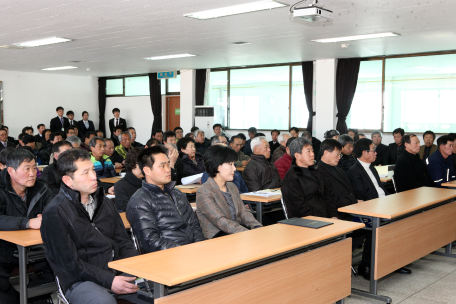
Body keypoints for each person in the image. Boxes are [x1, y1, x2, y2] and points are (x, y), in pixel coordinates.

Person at [40, 149, 148, 304]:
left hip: (115, 269)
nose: (93, 176)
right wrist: (110, 280)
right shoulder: (55, 212)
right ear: (68, 180)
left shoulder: (103, 202)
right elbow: (70, 263)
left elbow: (123, 241)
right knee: (104, 302)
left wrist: (138, 268)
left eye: (93, 170)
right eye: (85, 173)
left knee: (158, 292)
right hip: (79, 281)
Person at [347, 138, 411, 278]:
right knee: (376, 230)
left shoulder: (372, 168)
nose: (376, 153)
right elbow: (364, 197)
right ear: (364, 152)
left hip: (383, 205)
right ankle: (366, 266)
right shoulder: (354, 172)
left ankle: (394, 262)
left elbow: (381, 190)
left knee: (403, 222)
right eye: (373, 150)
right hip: (370, 210)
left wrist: (393, 200)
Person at [0, 149, 55, 304]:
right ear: (10, 170)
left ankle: (34, 298)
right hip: (4, 249)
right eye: (27, 168)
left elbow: (56, 210)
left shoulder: (42, 188)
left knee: (63, 264)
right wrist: (27, 222)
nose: (32, 173)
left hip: (35, 248)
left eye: (34, 168)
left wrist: (49, 217)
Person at [127, 146, 204, 252]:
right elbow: (151, 241)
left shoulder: (177, 193)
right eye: (162, 166)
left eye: (168, 164)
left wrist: (199, 247)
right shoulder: (139, 201)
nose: (168, 169)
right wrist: (184, 251)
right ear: (147, 170)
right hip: (169, 256)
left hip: (192, 251)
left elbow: (194, 225)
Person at [196, 145, 262, 239]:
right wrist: (247, 233)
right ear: (218, 166)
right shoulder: (204, 191)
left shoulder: (232, 187)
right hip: (217, 238)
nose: (234, 169)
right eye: (230, 164)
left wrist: (257, 227)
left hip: (236, 234)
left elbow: (244, 213)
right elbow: (221, 221)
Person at [282, 137, 337, 218]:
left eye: (312, 150)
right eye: (308, 151)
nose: (312, 154)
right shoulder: (292, 178)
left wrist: (333, 215)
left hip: (324, 217)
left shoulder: (316, 171)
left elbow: (327, 196)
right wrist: (322, 218)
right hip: (306, 221)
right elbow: (300, 208)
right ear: (297, 155)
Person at [318, 139, 359, 220]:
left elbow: (350, 190)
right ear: (325, 153)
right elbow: (327, 198)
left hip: (351, 209)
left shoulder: (340, 170)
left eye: (340, 155)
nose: (339, 158)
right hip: (337, 213)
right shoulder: (318, 172)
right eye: (337, 154)